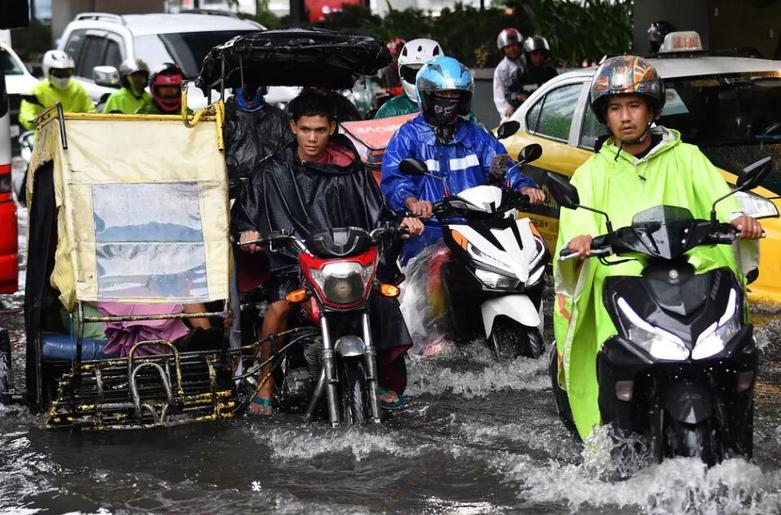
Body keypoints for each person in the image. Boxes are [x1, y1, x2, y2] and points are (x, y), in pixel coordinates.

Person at [552, 55, 764, 440]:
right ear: (605, 115)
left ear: (652, 109)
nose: (625, 117)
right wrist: (580, 242)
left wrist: (739, 220)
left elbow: (722, 200)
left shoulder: (688, 157)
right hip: (627, 284)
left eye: (634, 105)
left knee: (739, 351)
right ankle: (609, 434)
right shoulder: (592, 173)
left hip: (693, 276)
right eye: (615, 108)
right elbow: (578, 221)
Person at [232, 91, 424, 415]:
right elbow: (245, 217)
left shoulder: (351, 169)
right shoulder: (271, 173)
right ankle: (265, 381)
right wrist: (248, 232)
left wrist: (402, 224)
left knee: (381, 296)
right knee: (277, 308)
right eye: (305, 129)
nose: (312, 137)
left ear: (332, 128)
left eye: (320, 130)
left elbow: (377, 213)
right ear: (293, 126)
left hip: (347, 261)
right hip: (296, 264)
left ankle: (377, 374)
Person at [381, 56, 546, 265]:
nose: (450, 99)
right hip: (428, 232)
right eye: (443, 94)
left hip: (477, 230)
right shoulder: (407, 136)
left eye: (455, 94)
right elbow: (395, 179)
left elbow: (502, 165)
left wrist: (523, 187)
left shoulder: (477, 136)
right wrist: (413, 202)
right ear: (427, 96)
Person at [224, 81, 292, 198]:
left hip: (270, 191)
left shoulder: (279, 119)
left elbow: (290, 156)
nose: (250, 91)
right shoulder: (222, 117)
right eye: (243, 85)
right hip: (231, 194)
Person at [19, 50, 95, 131]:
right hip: (46, 136)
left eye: (67, 73)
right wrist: (34, 121)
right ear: (47, 70)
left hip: (75, 134)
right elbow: (26, 113)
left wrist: (90, 120)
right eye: (58, 73)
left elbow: (90, 109)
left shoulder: (78, 88)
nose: (63, 78)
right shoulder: (38, 90)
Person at [374, 38, 443, 119]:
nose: (418, 81)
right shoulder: (391, 110)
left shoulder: (453, 104)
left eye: (426, 74)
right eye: (412, 73)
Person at [506, 35, 557, 110]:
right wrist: (518, 97)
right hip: (527, 112)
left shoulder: (550, 72)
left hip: (548, 110)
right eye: (535, 54)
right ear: (528, 55)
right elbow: (509, 94)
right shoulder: (520, 73)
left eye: (541, 54)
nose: (539, 57)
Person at [493, 28, 525, 120]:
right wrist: (507, 109)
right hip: (512, 113)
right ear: (503, 50)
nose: (512, 49)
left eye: (514, 45)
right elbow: (499, 96)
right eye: (508, 47)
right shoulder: (501, 69)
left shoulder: (526, 61)